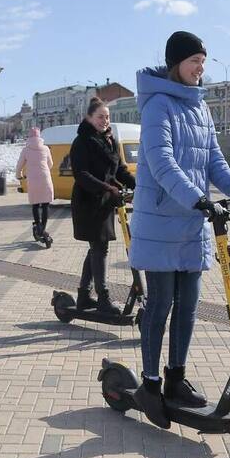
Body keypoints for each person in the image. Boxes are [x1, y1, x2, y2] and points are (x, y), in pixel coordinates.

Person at [129, 31, 230, 428]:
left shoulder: (200, 109)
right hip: (161, 222)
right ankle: (149, 384)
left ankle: (175, 377)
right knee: (160, 305)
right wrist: (199, 199)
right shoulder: (158, 106)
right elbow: (160, 162)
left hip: (191, 222)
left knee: (187, 307)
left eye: (203, 61)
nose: (200, 68)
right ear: (176, 64)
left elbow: (214, 162)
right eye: (194, 61)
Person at [70, 97, 136, 314]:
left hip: (105, 202)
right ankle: (103, 299)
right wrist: (108, 189)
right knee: (100, 248)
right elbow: (82, 175)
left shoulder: (110, 140)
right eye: (100, 117)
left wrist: (138, 185)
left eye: (107, 117)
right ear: (89, 117)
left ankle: (83, 296)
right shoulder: (82, 141)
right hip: (88, 201)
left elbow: (119, 170)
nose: (105, 121)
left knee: (96, 248)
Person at [16, 127, 54, 242]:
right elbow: (50, 164)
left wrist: (19, 175)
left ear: (29, 137)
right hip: (45, 178)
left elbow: (19, 165)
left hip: (32, 180)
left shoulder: (26, 149)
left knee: (36, 204)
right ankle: (43, 228)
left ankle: (38, 226)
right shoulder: (45, 148)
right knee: (46, 204)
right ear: (39, 137)